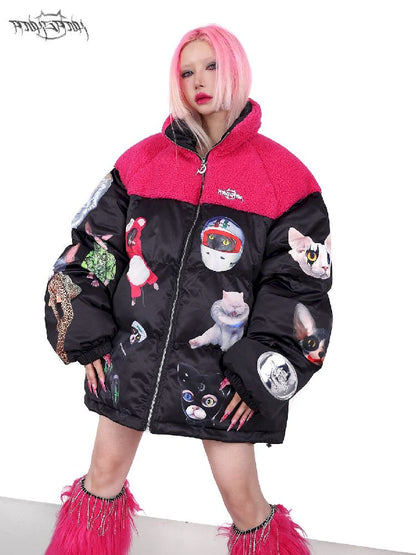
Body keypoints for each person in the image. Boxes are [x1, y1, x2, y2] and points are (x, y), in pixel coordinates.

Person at [44, 23, 332, 555]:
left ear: (235, 69)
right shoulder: (140, 162)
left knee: (245, 503)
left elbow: (298, 288)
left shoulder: (284, 178)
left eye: (211, 66)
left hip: (223, 373)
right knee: (102, 476)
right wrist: (85, 333)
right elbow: (93, 247)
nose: (198, 80)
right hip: (130, 357)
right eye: (186, 71)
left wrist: (260, 372)